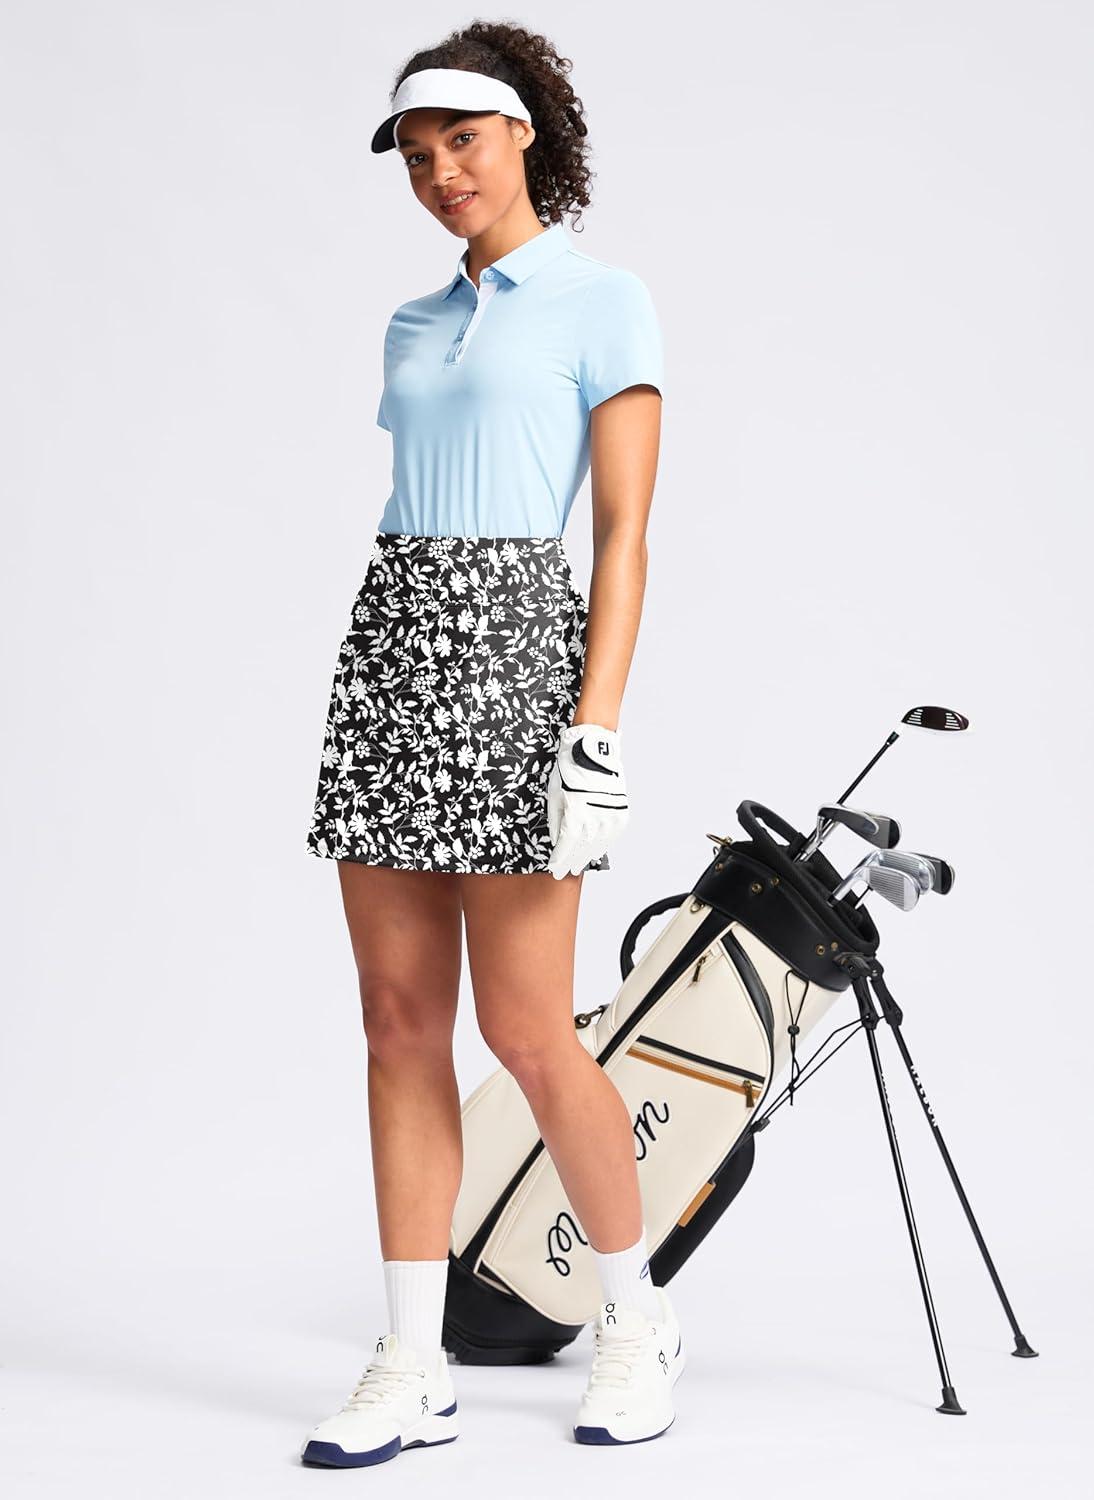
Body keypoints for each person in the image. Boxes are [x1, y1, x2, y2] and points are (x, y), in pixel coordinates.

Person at [301, 21, 680, 1466]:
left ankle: (635, 1320)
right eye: (415, 153)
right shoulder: (412, 322)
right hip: (396, 646)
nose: (439, 171)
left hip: (519, 652)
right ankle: (413, 1361)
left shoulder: (601, 300)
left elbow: (623, 530)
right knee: (397, 1024)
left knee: (527, 1032)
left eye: (460, 139)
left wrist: (595, 729)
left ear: (522, 131)